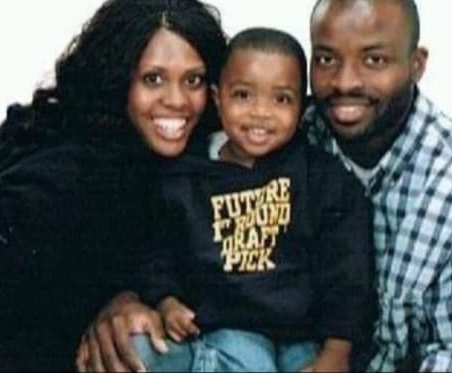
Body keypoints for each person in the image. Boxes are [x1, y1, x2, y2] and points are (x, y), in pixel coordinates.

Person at [0, 0, 226, 370]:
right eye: (152, 78)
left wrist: (126, 296)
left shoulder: (205, 168)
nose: (176, 100)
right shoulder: (56, 188)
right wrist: (110, 301)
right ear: (117, 80)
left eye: (194, 80)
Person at [127, 27, 376, 372]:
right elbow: (158, 254)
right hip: (221, 332)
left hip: (303, 338)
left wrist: (337, 351)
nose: (261, 112)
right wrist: (167, 302)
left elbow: (348, 275)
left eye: (281, 99)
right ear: (217, 98)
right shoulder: (185, 175)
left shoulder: (321, 178)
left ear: (302, 108)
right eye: (244, 95)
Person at [302, 0, 452, 371]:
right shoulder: (287, 137)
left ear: (416, 64)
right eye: (326, 59)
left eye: (374, 60)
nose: (345, 82)